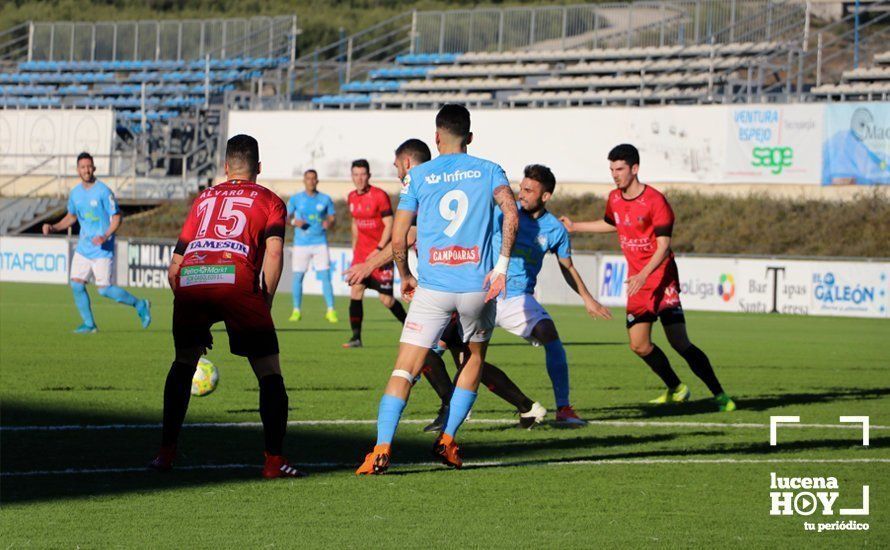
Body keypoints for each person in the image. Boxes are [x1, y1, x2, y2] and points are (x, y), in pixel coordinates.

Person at [356, 104, 519, 475]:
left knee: (404, 369)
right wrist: (502, 267)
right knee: (473, 358)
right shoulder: (490, 170)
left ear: (436, 136)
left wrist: (405, 275)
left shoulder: (419, 175)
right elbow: (511, 213)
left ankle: (381, 447)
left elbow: (399, 237)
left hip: (432, 287)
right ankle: (447, 440)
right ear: (470, 138)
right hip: (478, 285)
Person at [346, 139, 547, 432]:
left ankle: (450, 407)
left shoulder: (422, 187)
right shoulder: (447, 183)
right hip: (463, 288)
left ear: (408, 164)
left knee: (432, 354)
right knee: (465, 359)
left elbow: (407, 235)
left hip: (454, 286)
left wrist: (369, 265)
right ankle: (526, 407)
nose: (394, 170)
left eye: (396, 164)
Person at [149, 134, 306, 478]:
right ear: (259, 167)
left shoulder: (204, 198)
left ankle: (165, 454)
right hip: (236, 278)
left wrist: (191, 305)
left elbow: (174, 266)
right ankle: (274, 461)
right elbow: (275, 254)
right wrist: (263, 303)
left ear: (225, 167)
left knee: (183, 363)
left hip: (192, 280)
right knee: (269, 373)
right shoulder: (270, 200)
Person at [560, 143, 735, 412]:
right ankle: (677, 388)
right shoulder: (615, 198)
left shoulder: (656, 201)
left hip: (662, 280)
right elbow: (611, 223)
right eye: (611, 169)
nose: (615, 174)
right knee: (639, 345)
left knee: (679, 342)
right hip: (638, 283)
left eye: (619, 169)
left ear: (635, 168)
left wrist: (644, 273)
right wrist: (576, 226)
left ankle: (720, 394)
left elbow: (664, 245)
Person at [490, 164, 612, 426]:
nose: (521, 194)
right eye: (521, 188)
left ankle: (564, 408)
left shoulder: (554, 229)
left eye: (529, 190)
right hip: (486, 293)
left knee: (549, 333)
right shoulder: (503, 214)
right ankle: (449, 404)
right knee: (444, 345)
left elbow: (567, 267)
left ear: (545, 196)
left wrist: (587, 298)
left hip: (519, 298)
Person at [42, 152, 151, 333]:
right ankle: (90, 325)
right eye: (83, 167)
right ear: (78, 170)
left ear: (94, 168)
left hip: (102, 248)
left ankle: (140, 304)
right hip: (84, 248)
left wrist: (105, 235)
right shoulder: (75, 193)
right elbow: (71, 217)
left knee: (104, 290)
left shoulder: (103, 191)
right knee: (76, 284)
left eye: (89, 166)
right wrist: (53, 227)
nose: (86, 170)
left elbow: (116, 218)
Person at [343, 159, 407, 348]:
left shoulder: (379, 196)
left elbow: (389, 224)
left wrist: (379, 249)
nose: (359, 178)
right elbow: (355, 224)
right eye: (356, 175)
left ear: (369, 176)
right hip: (361, 255)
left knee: (386, 300)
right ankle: (356, 337)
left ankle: (409, 327)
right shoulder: (351, 197)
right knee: (356, 289)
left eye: (363, 174)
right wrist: (355, 251)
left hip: (380, 255)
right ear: (352, 176)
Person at [286, 169, 337, 323]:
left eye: (314, 178)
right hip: (301, 243)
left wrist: (329, 222)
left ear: (317, 181)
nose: (311, 181)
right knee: (298, 276)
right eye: (308, 178)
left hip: (320, 242)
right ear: (304, 180)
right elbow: (285, 217)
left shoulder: (325, 199)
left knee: (326, 277)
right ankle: (296, 310)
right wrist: (295, 222)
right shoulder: (296, 199)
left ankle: (331, 310)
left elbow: (332, 217)